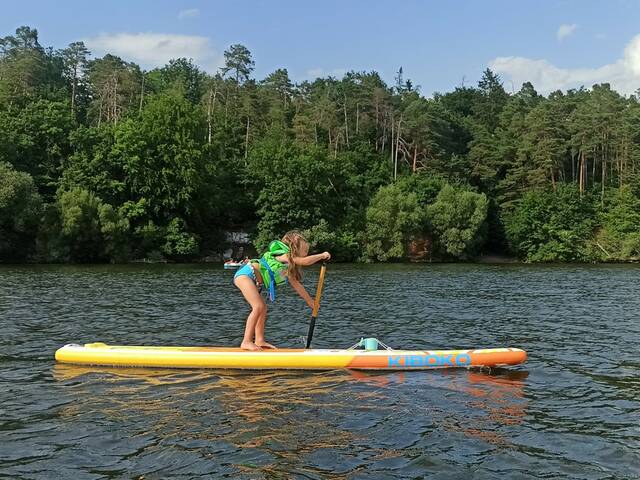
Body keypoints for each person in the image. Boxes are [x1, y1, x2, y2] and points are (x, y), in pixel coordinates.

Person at [233, 230, 331, 351]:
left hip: (252, 279)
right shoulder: (285, 256)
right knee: (258, 307)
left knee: (262, 308)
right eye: (304, 251)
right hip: (245, 275)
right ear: (294, 248)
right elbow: (304, 262)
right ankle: (246, 341)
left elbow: (297, 285)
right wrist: (322, 256)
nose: (306, 254)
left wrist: (311, 302)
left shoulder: (287, 266)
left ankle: (259, 340)